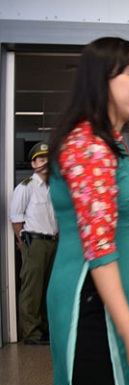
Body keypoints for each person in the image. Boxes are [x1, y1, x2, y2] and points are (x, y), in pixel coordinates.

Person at [47, 37, 129, 385]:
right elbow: (99, 246)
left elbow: (123, 230)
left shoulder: (112, 143)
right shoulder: (87, 143)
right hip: (92, 296)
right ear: (100, 79)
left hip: (118, 290)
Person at [10, 141, 58, 346]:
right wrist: (23, 243)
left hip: (53, 242)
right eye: (40, 159)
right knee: (32, 289)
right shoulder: (26, 187)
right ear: (33, 164)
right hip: (35, 242)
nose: (45, 162)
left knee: (48, 288)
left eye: (47, 158)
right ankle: (31, 333)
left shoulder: (54, 188)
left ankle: (45, 328)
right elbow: (16, 219)